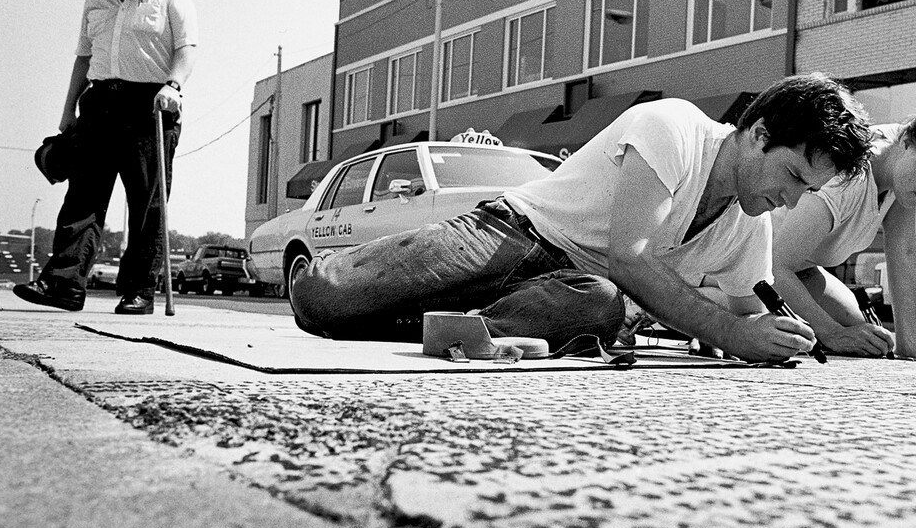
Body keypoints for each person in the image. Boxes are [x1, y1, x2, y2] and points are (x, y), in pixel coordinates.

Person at [291, 73, 872, 363]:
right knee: (326, 304)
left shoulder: (753, 222)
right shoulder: (674, 126)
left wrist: (794, 338)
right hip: (517, 235)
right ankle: (423, 312)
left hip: (570, 290)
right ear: (759, 135)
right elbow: (632, 257)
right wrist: (727, 332)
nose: (794, 202)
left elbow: (750, 312)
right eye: (795, 177)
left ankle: (457, 324)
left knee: (601, 303)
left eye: (809, 191)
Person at [14, 0, 198, 315]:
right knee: (83, 197)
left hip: (150, 105)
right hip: (99, 103)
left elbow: (186, 49)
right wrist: (68, 111)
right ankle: (63, 284)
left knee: (147, 204)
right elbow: (83, 57)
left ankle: (139, 291)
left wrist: (174, 85)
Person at [770, 98, 916, 360]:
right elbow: (775, 266)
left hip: (803, 273)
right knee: (796, 338)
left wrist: (909, 346)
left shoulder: (901, 173)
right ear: (908, 139)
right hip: (746, 267)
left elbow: (905, 252)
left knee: (870, 338)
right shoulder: (848, 179)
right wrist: (831, 333)